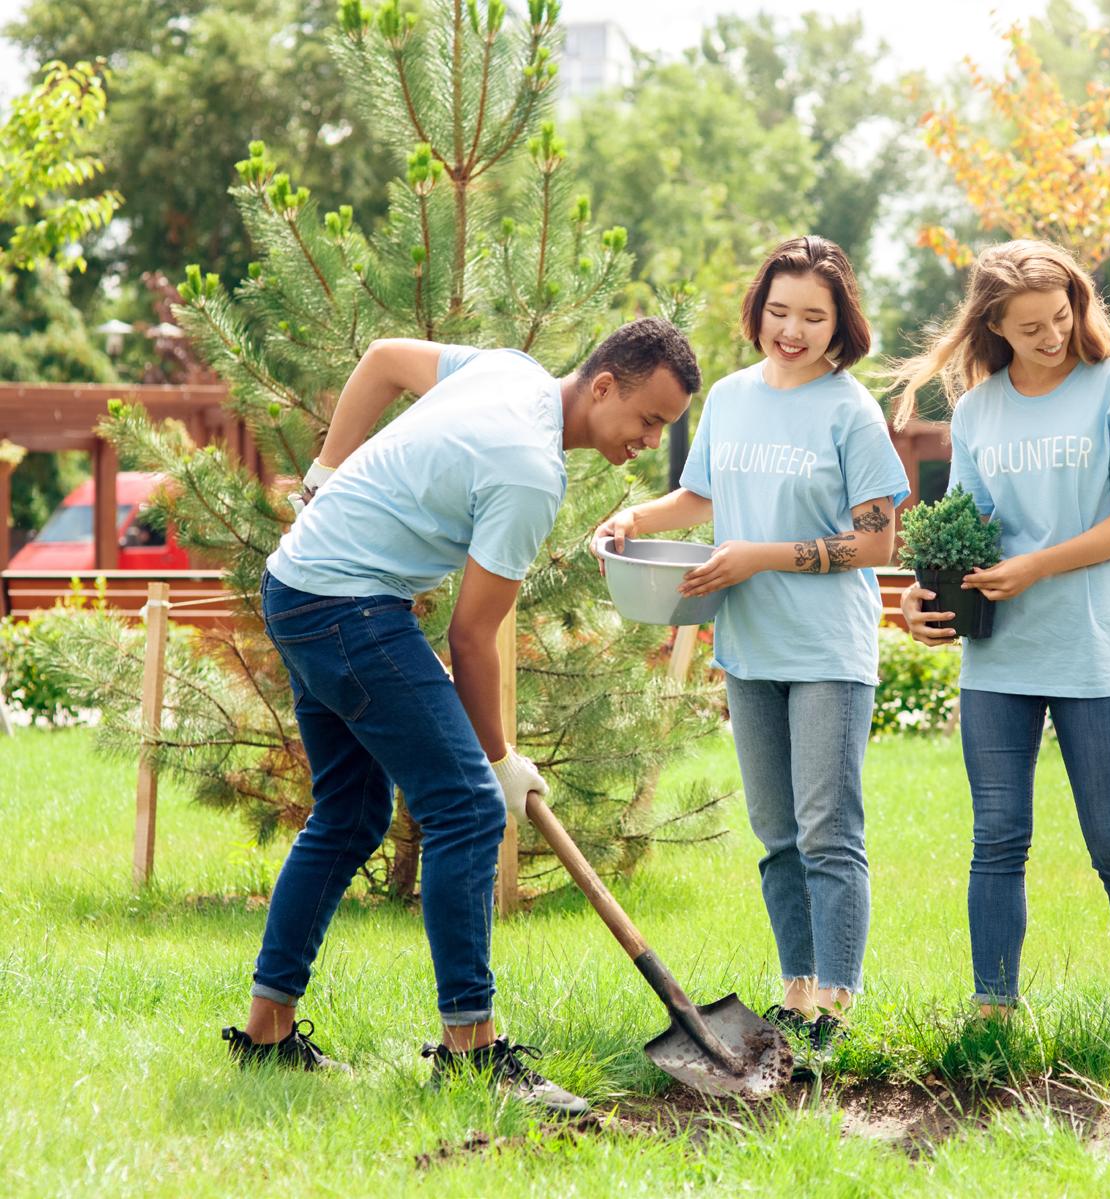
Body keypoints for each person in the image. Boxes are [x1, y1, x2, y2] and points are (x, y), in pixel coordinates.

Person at [221, 318, 701, 1118]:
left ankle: (267, 1032)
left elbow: (379, 359)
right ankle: (472, 1053)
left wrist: (325, 470)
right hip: (348, 605)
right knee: (468, 809)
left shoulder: (511, 372)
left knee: (351, 812)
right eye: (648, 419)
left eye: (664, 427)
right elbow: (472, 636)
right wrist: (499, 760)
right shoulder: (529, 471)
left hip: (299, 585)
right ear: (605, 384)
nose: (650, 441)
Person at [594, 237, 907, 1056]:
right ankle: (795, 992)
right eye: (778, 312)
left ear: (840, 322)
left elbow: (876, 542)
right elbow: (702, 496)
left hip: (827, 648)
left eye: (812, 315)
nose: (792, 330)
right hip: (751, 641)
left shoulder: (851, 409)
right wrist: (635, 517)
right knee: (776, 835)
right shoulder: (730, 399)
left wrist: (763, 555)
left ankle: (837, 1004)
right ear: (757, 310)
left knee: (827, 829)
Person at [891, 239, 1110, 1025]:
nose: (1051, 336)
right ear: (994, 325)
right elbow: (965, 531)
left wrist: (1036, 568)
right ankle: (993, 1013)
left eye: (1060, 317)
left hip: (1095, 650)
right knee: (997, 837)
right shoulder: (981, 407)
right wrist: (926, 599)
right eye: (1029, 328)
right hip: (1001, 653)